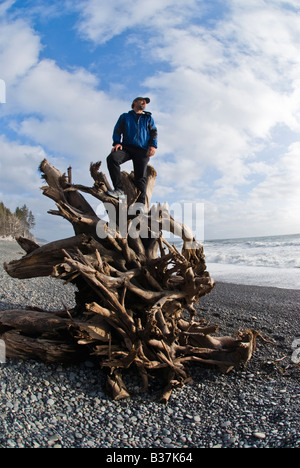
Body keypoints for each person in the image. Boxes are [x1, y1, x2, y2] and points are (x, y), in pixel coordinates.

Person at [106, 97, 158, 207]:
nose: (144, 102)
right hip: (127, 148)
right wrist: (116, 143)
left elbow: (153, 132)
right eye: (142, 100)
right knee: (112, 158)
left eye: (146, 102)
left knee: (140, 177)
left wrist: (153, 146)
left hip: (143, 149)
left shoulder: (148, 118)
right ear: (135, 102)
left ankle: (140, 205)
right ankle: (119, 190)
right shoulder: (125, 117)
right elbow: (117, 130)